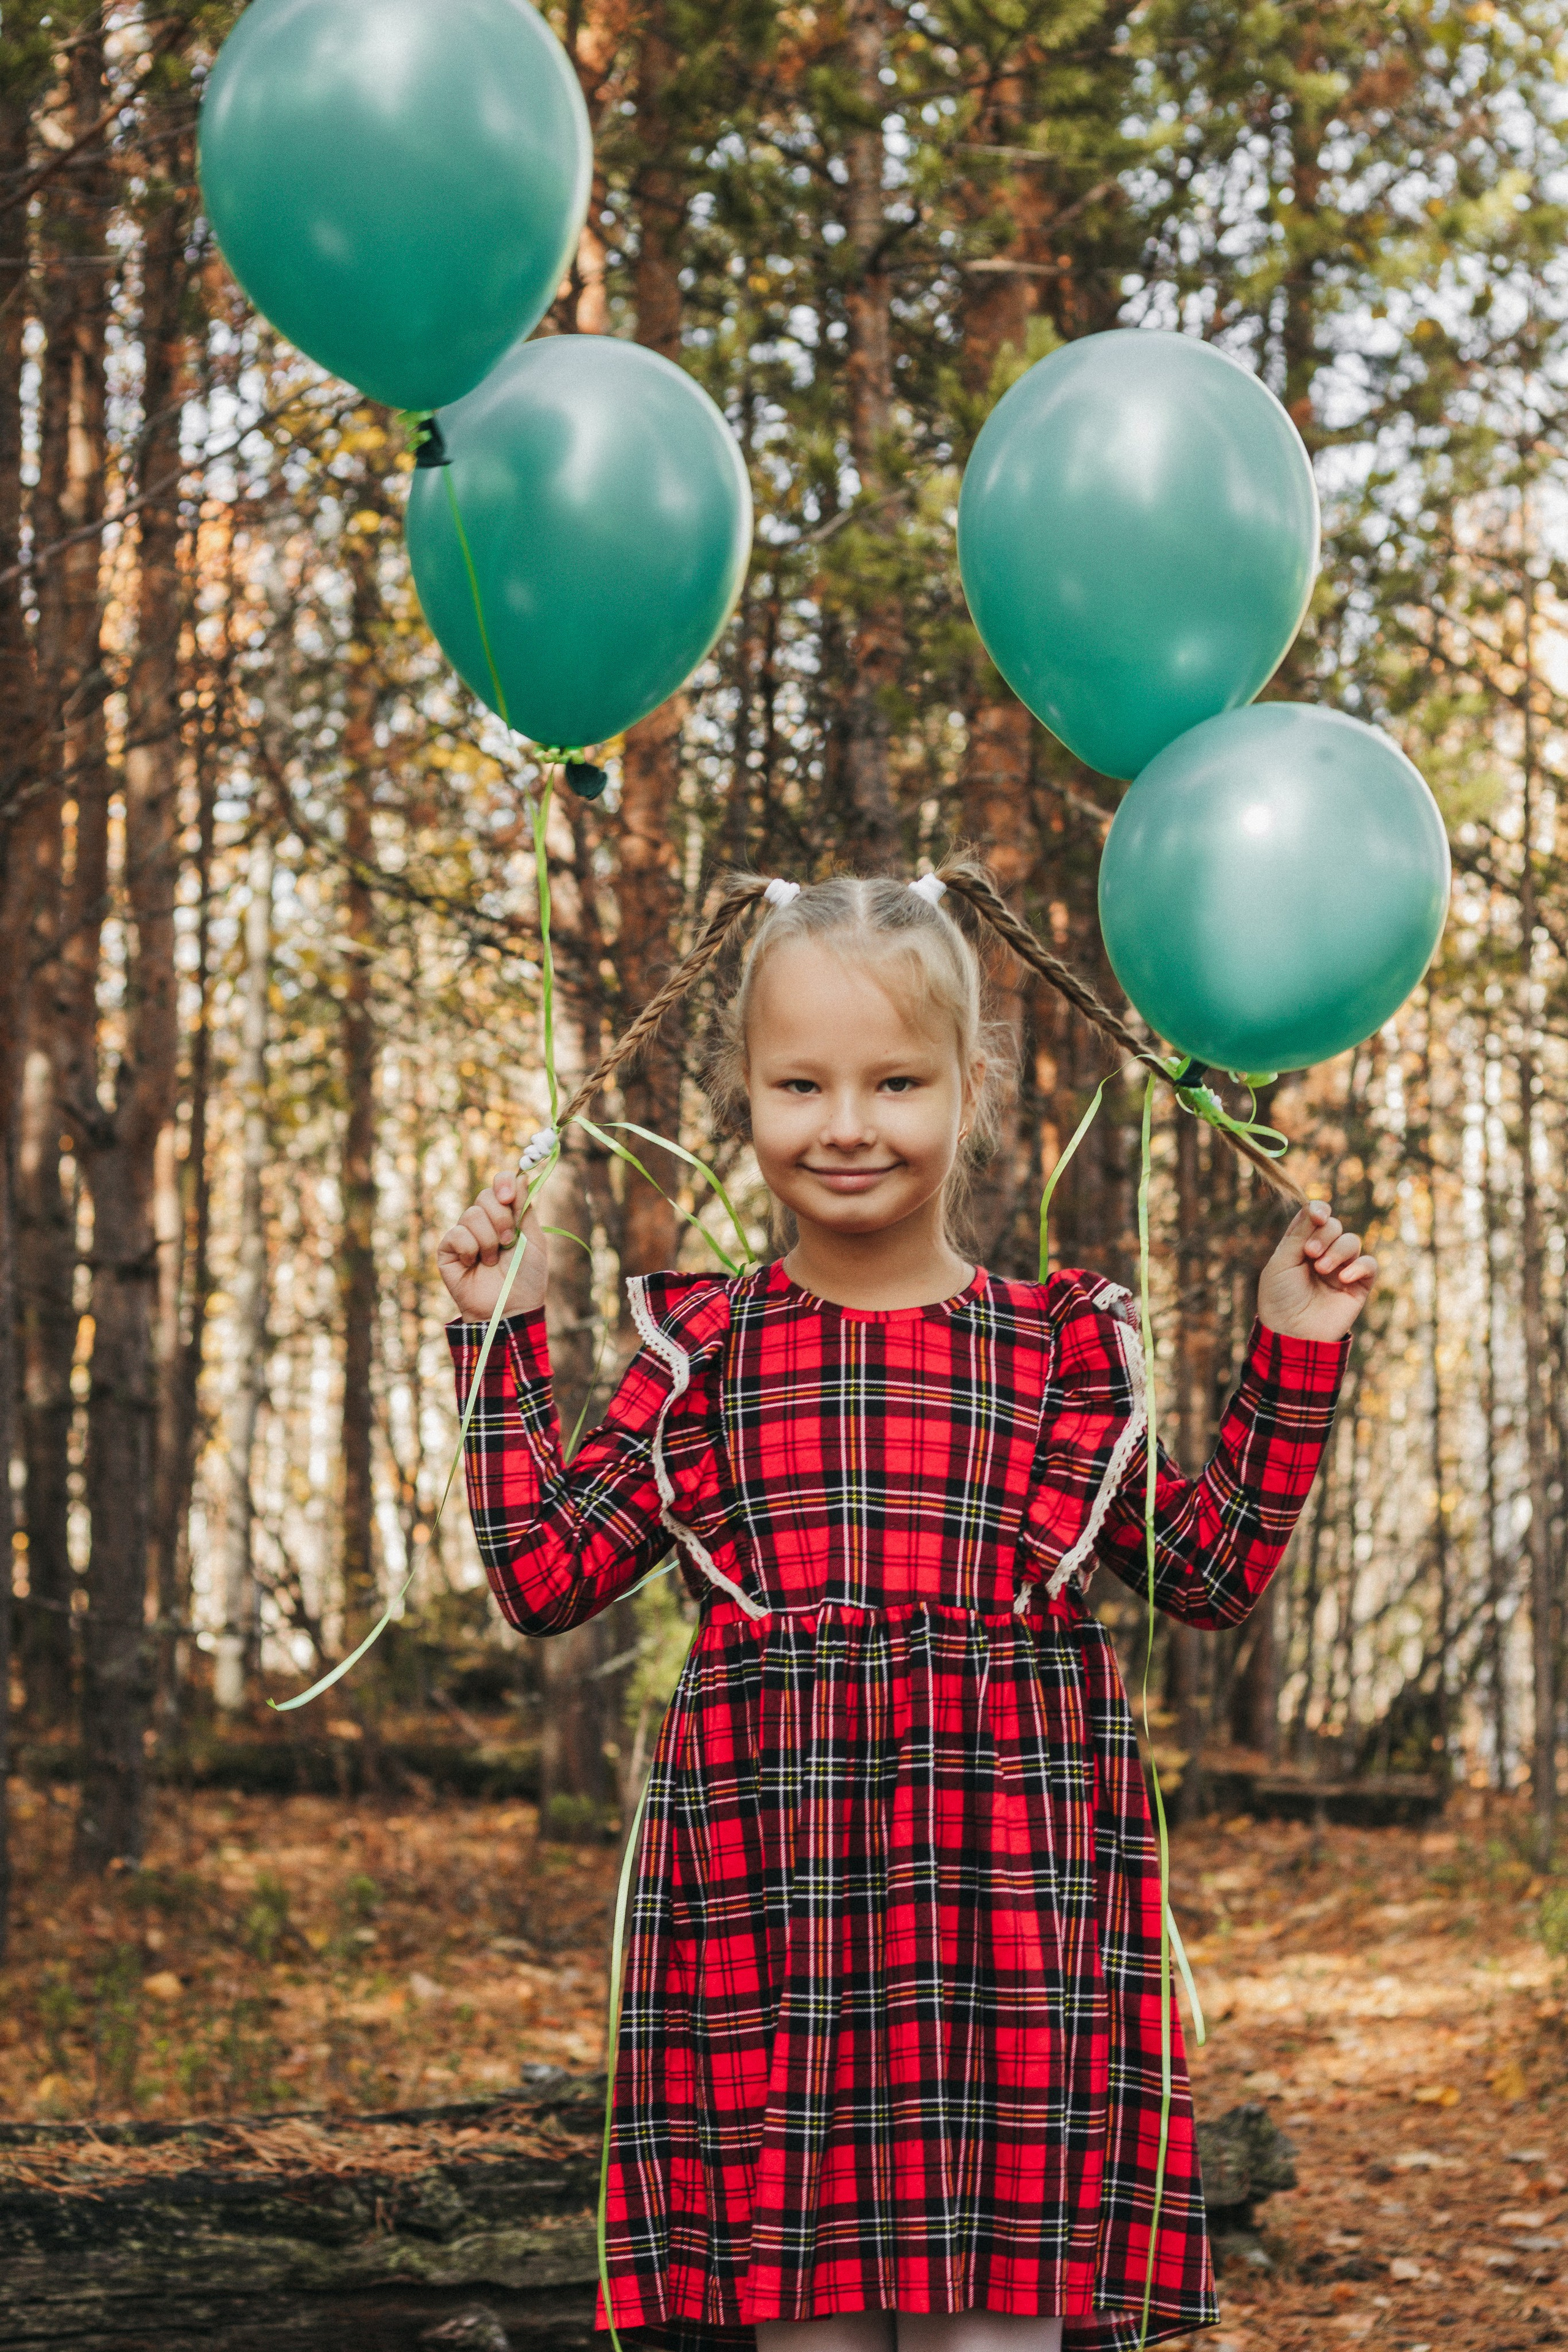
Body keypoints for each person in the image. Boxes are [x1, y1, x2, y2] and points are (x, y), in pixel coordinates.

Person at [439, 865, 1372, 2352]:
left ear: (969, 1088)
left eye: (894, 1081)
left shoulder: (1053, 1354)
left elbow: (1208, 1573)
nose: (847, 1123)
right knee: (806, 2322)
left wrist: (1292, 1351)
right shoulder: (707, 1354)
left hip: (1012, 1910)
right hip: (776, 1909)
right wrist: (496, 1342)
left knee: (992, 2328)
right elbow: (545, 1577)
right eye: (798, 1083)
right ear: (742, 1093)